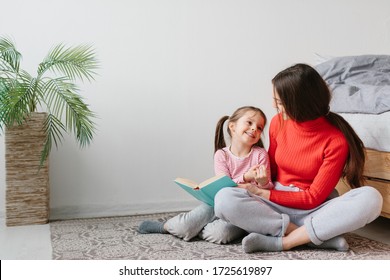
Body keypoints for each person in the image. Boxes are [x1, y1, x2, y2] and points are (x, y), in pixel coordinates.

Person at [214, 63, 383, 253]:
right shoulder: (278, 123)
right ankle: (310, 236)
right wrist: (257, 187)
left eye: (279, 102)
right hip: (273, 206)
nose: (273, 106)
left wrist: (261, 193)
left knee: (371, 198)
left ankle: (284, 241)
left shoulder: (336, 140)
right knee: (224, 198)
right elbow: (273, 173)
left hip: (314, 210)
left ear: (300, 103)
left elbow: (312, 198)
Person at [138, 106, 274, 244]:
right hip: (216, 203)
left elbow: (267, 190)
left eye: (259, 128)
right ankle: (165, 226)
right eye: (249, 123)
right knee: (183, 227)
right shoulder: (222, 155)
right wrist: (245, 177)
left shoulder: (260, 154)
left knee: (219, 235)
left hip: (243, 208)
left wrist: (263, 182)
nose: (254, 129)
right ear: (232, 126)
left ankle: (205, 229)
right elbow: (225, 185)